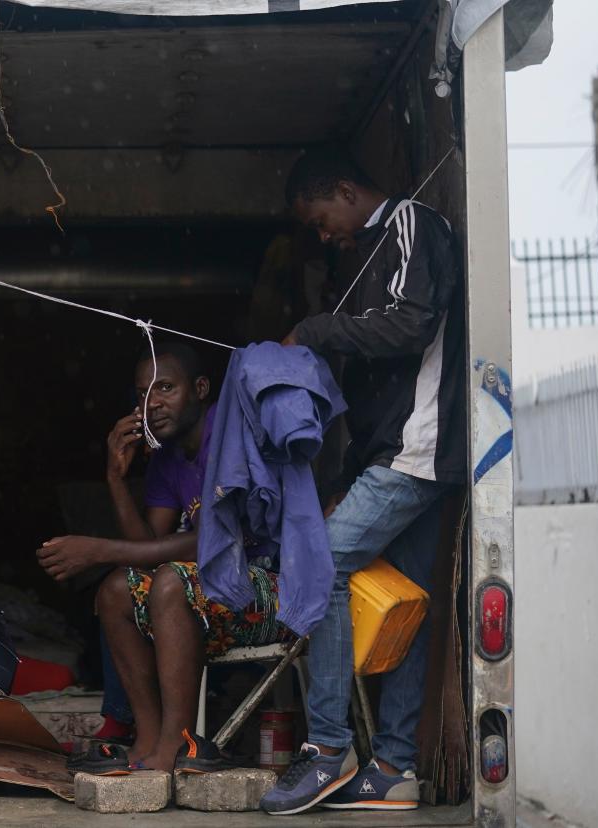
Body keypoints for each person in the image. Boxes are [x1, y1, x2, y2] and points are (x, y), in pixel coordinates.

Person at [258, 147, 464, 815]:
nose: (324, 236)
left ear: (345, 189)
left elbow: (413, 325)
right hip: (395, 455)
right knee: (409, 602)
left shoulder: (413, 225)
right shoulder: (363, 259)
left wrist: (314, 331)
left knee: (320, 566)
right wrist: (348, 472)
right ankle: (394, 768)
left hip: (417, 450)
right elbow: (375, 385)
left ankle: (326, 749)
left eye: (321, 220)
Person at [38, 342, 282, 773]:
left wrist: (97, 549)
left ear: (201, 388)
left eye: (165, 388)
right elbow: (147, 550)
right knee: (116, 588)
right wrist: (115, 476)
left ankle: (178, 742)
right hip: (208, 595)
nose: (151, 404)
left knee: (170, 581)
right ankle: (148, 738)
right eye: (142, 394)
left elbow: (213, 544)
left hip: (268, 589)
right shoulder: (167, 459)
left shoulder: (228, 440)